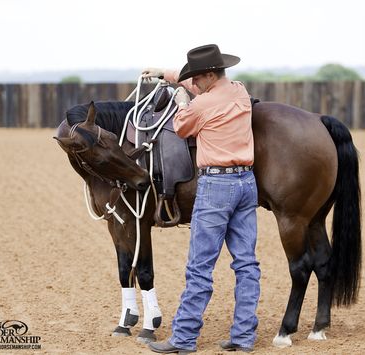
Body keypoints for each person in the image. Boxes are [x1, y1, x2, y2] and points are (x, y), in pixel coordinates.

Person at [142, 44, 260, 354]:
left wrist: (182, 100)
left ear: (209, 74)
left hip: (217, 187)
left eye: (197, 79)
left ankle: (183, 338)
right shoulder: (239, 90)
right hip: (247, 182)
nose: (194, 85)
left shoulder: (199, 105)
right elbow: (197, 88)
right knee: (246, 263)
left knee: (199, 266)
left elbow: (181, 128)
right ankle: (244, 336)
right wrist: (166, 74)